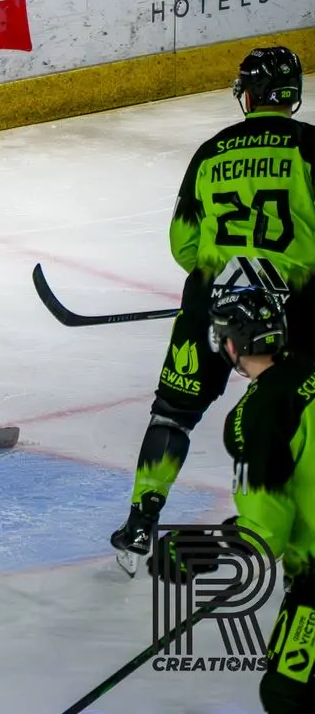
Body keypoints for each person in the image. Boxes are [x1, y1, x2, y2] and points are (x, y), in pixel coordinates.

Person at [111, 46, 315, 572]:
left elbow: (183, 243)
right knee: (299, 410)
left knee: (173, 414)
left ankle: (140, 521)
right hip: (297, 306)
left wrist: (222, 282)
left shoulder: (211, 151)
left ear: (249, 94)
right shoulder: (310, 147)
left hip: (212, 306)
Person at [200, 281, 315, 714]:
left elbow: (266, 536)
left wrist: (215, 546)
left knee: (288, 693)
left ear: (231, 344)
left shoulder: (256, 414)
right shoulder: (309, 367)